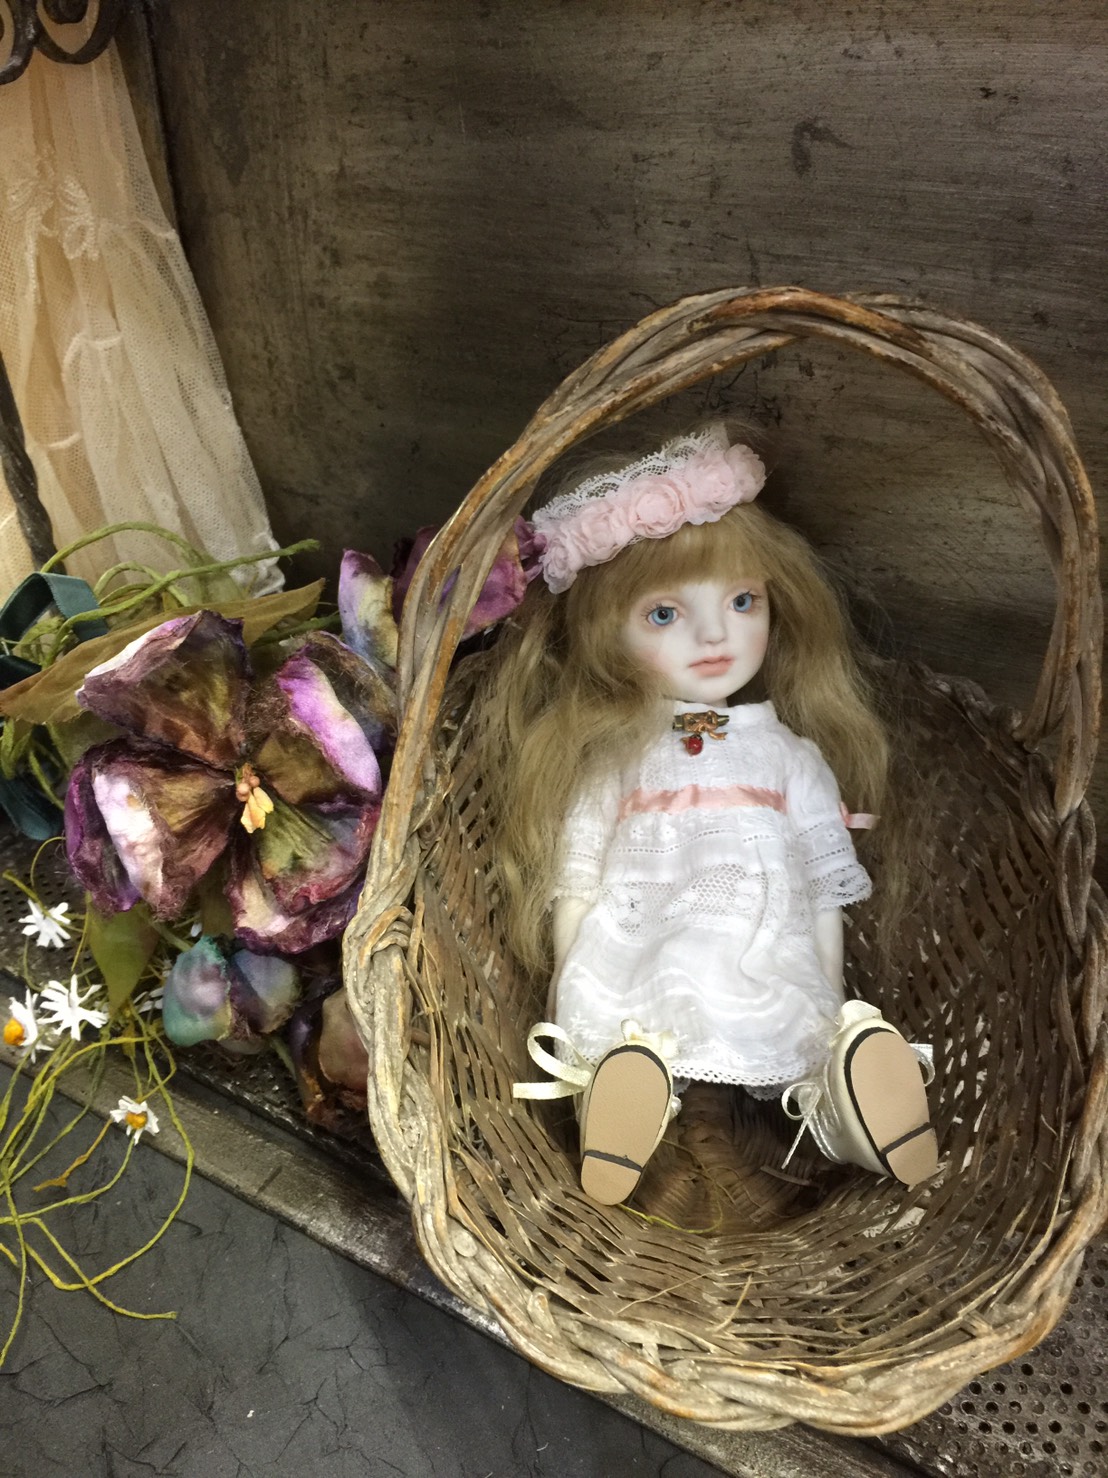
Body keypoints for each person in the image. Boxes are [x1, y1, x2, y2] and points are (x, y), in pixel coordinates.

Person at [474, 425, 937, 1205]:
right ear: (605, 635)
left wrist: (831, 1005)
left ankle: (849, 1102)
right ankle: (617, 1102)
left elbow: (823, 891)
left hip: (764, 945)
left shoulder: (790, 754)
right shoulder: (613, 753)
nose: (717, 635)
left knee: (803, 1041)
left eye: (742, 601)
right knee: (616, 1024)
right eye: (664, 615)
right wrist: (562, 994)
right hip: (644, 941)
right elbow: (578, 879)